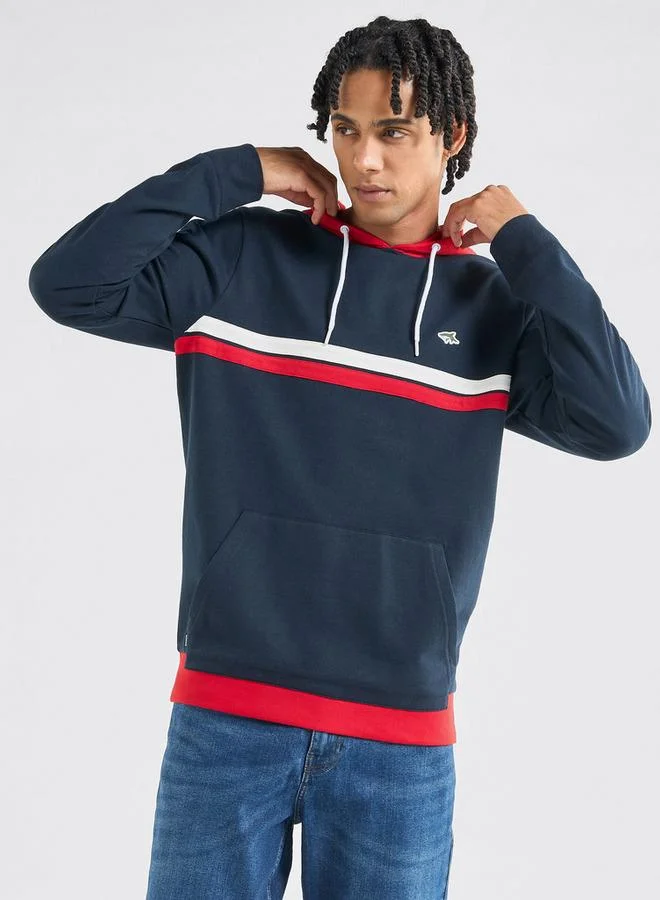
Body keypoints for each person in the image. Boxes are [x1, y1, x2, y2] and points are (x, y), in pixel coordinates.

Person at [27, 15, 651, 900]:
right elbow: (67, 283)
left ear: (453, 136)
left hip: (399, 747)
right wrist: (241, 171)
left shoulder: (493, 311)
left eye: (394, 132)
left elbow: (618, 422)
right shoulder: (243, 259)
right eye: (345, 130)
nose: (364, 161)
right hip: (225, 719)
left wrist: (525, 241)